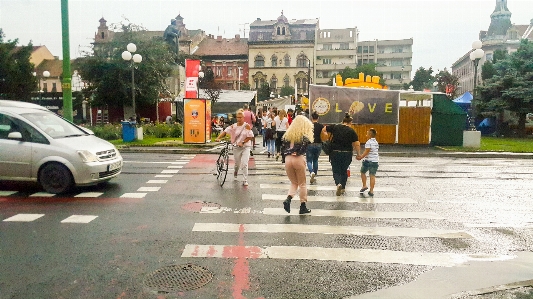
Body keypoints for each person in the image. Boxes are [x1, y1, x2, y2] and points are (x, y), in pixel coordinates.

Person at [281, 115, 314, 214]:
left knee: (294, 182)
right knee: (302, 184)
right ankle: (302, 206)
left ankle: (288, 199)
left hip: (288, 159)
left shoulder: (288, 135)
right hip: (298, 159)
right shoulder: (304, 136)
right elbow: (303, 148)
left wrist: (286, 157)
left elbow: (283, 148)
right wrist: (298, 153)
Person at [322, 113, 360, 196]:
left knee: (336, 170)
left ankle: (338, 183)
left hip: (335, 152)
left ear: (342, 121)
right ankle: (342, 188)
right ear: (350, 123)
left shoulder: (335, 127)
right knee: (344, 171)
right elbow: (357, 143)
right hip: (347, 153)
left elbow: (324, 129)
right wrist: (358, 154)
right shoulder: (351, 131)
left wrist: (326, 137)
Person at [215, 109, 254, 186]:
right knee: (237, 164)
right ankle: (235, 172)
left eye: (240, 117)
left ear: (243, 118)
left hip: (245, 147)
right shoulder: (234, 126)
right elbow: (225, 131)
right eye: (237, 117)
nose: (239, 119)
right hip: (236, 147)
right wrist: (218, 137)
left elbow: (250, 136)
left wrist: (243, 142)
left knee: (244, 163)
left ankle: (245, 179)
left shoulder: (247, 126)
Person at [357, 128, 379, 197]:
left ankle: (364, 185)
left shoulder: (368, 142)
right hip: (375, 161)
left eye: (367, 133)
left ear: (370, 134)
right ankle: (371, 190)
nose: (366, 134)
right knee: (372, 176)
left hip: (368, 161)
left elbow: (367, 151)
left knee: (363, 172)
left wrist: (361, 157)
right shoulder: (376, 142)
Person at [306, 111, 324, 184]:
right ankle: (315, 173)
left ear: (311, 118)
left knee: (309, 160)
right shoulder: (321, 126)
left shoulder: (308, 126)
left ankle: (311, 172)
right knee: (315, 160)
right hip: (318, 144)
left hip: (310, 144)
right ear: (318, 118)